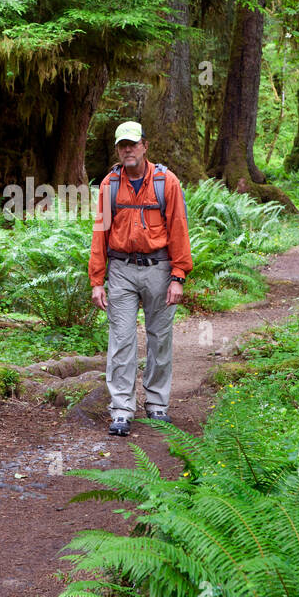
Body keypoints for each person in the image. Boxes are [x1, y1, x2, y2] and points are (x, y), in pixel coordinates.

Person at [89, 121, 193, 436]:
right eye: (123, 145)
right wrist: (97, 280)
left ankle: (157, 405)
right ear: (118, 149)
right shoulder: (109, 184)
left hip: (159, 269)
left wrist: (178, 275)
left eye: (133, 144)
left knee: (159, 338)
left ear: (145, 145)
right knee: (121, 341)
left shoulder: (166, 182)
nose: (128, 150)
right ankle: (121, 410)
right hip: (120, 270)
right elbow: (100, 233)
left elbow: (178, 228)